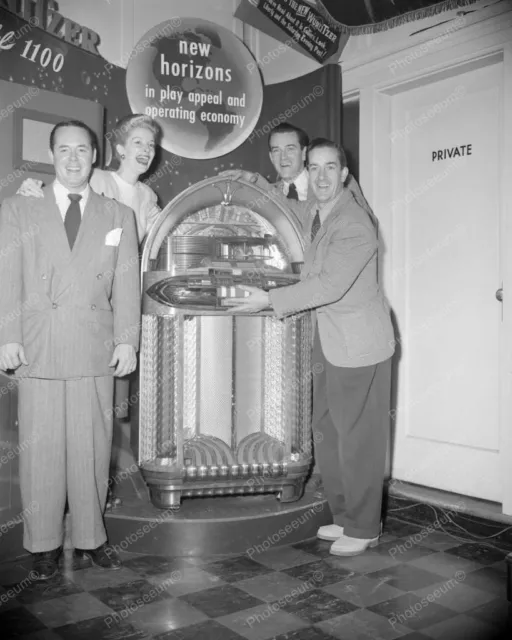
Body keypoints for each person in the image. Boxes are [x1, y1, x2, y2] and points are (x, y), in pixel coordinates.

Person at [229, 139, 395, 556]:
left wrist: (267, 300)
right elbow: (279, 206)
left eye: (329, 168)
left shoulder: (354, 222)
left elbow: (329, 285)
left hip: (358, 345)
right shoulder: (317, 212)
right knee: (327, 432)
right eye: (314, 168)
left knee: (358, 438)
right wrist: (245, 180)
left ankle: (364, 525)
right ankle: (343, 517)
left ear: (344, 174)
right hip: (327, 340)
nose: (320, 177)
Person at [0, 120, 141, 579]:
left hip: (93, 346)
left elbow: (126, 285)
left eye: (82, 149)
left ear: (96, 155)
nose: (74, 158)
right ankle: (41, 543)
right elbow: (7, 277)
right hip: (38, 345)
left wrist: (127, 340)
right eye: (64, 149)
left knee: (92, 448)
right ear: (51, 154)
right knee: (39, 450)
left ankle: (90, 538)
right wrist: (7, 336)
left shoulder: (119, 215)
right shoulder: (19, 210)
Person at [17, 113, 161, 243]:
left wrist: (161, 225)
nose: (146, 149)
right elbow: (54, 206)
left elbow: (150, 244)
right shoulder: (93, 177)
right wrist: (27, 193)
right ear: (120, 149)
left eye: (151, 144)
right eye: (138, 142)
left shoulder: (148, 195)